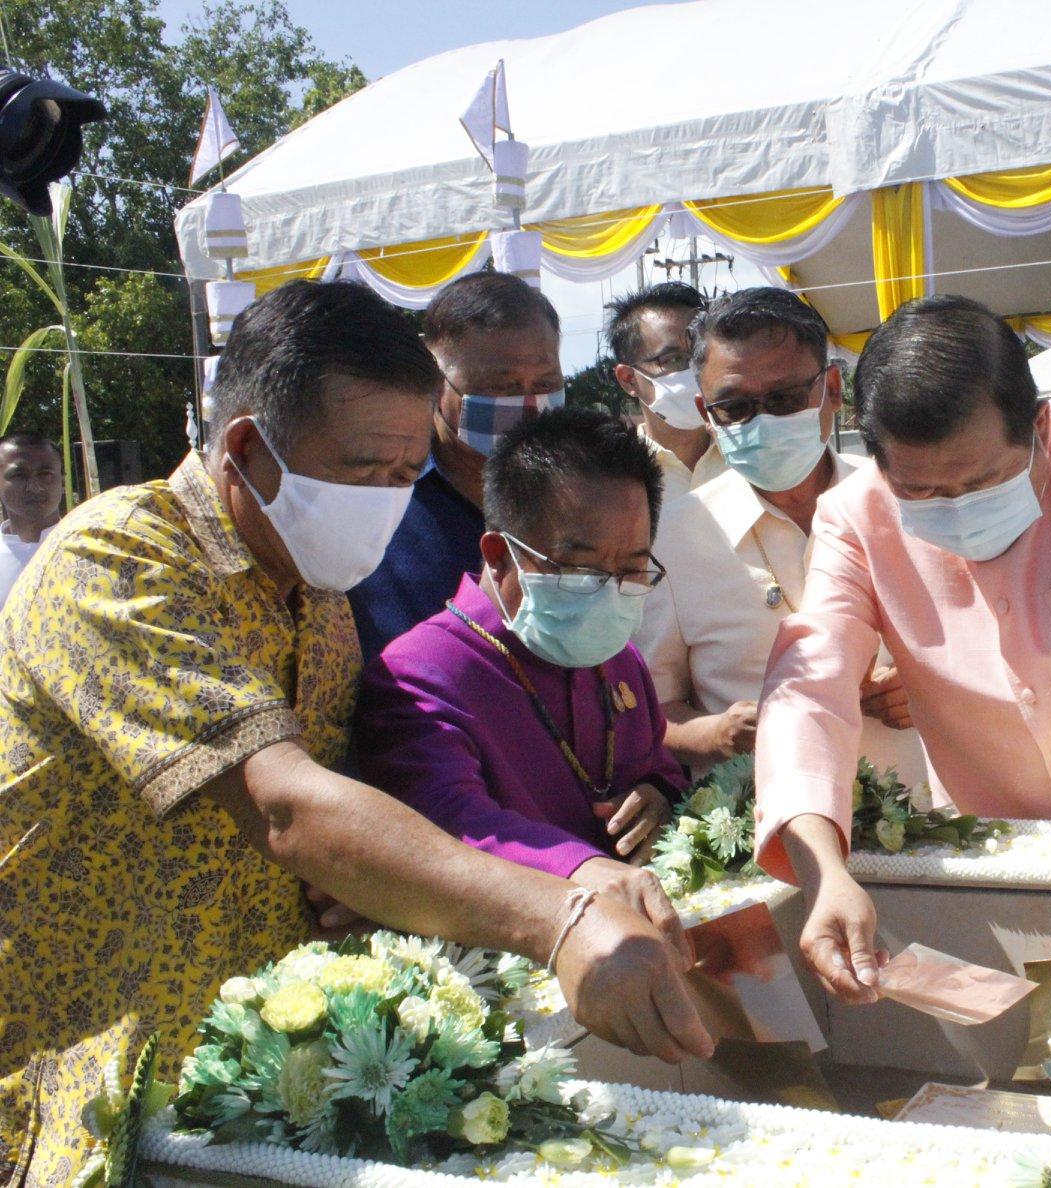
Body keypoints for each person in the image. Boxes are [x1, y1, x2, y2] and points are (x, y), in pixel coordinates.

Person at [0, 281, 709, 1187]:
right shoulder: (118, 560)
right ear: (247, 450)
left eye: (406, 474)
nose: (389, 501)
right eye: (366, 471)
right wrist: (562, 916)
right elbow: (289, 807)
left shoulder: (317, 592)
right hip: (99, 1079)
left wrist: (369, 886)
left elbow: (354, 813)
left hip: (263, 1078)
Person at [753, 294, 1051, 1022]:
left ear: (1038, 427)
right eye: (920, 491)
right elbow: (808, 688)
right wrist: (824, 872)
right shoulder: (853, 517)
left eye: (984, 483)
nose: (955, 507)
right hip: (1011, 862)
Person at [356, 407, 686, 879]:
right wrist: (588, 872)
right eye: (580, 568)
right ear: (498, 554)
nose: (608, 592)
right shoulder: (418, 675)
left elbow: (660, 765)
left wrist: (659, 794)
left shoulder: (619, 656)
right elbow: (451, 828)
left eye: (631, 569)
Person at [638, 288, 927, 781]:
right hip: (762, 819)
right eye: (735, 408)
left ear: (832, 388)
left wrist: (928, 686)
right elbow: (650, 712)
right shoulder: (672, 538)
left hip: (924, 813)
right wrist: (715, 734)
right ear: (707, 414)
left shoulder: (908, 501)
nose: (764, 421)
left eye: (785, 399)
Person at [349, 270, 565, 659]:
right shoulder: (375, 493)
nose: (529, 405)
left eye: (546, 383)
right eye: (502, 386)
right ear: (435, 378)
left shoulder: (575, 495)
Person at [609, 281, 728, 502]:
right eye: (673, 359)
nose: (694, 369)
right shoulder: (615, 479)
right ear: (629, 379)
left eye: (700, 354)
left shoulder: (748, 455)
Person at [0, 433, 62, 607]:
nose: (35, 487)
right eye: (19, 475)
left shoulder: (91, 548)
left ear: (62, 481)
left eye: (45, 474)